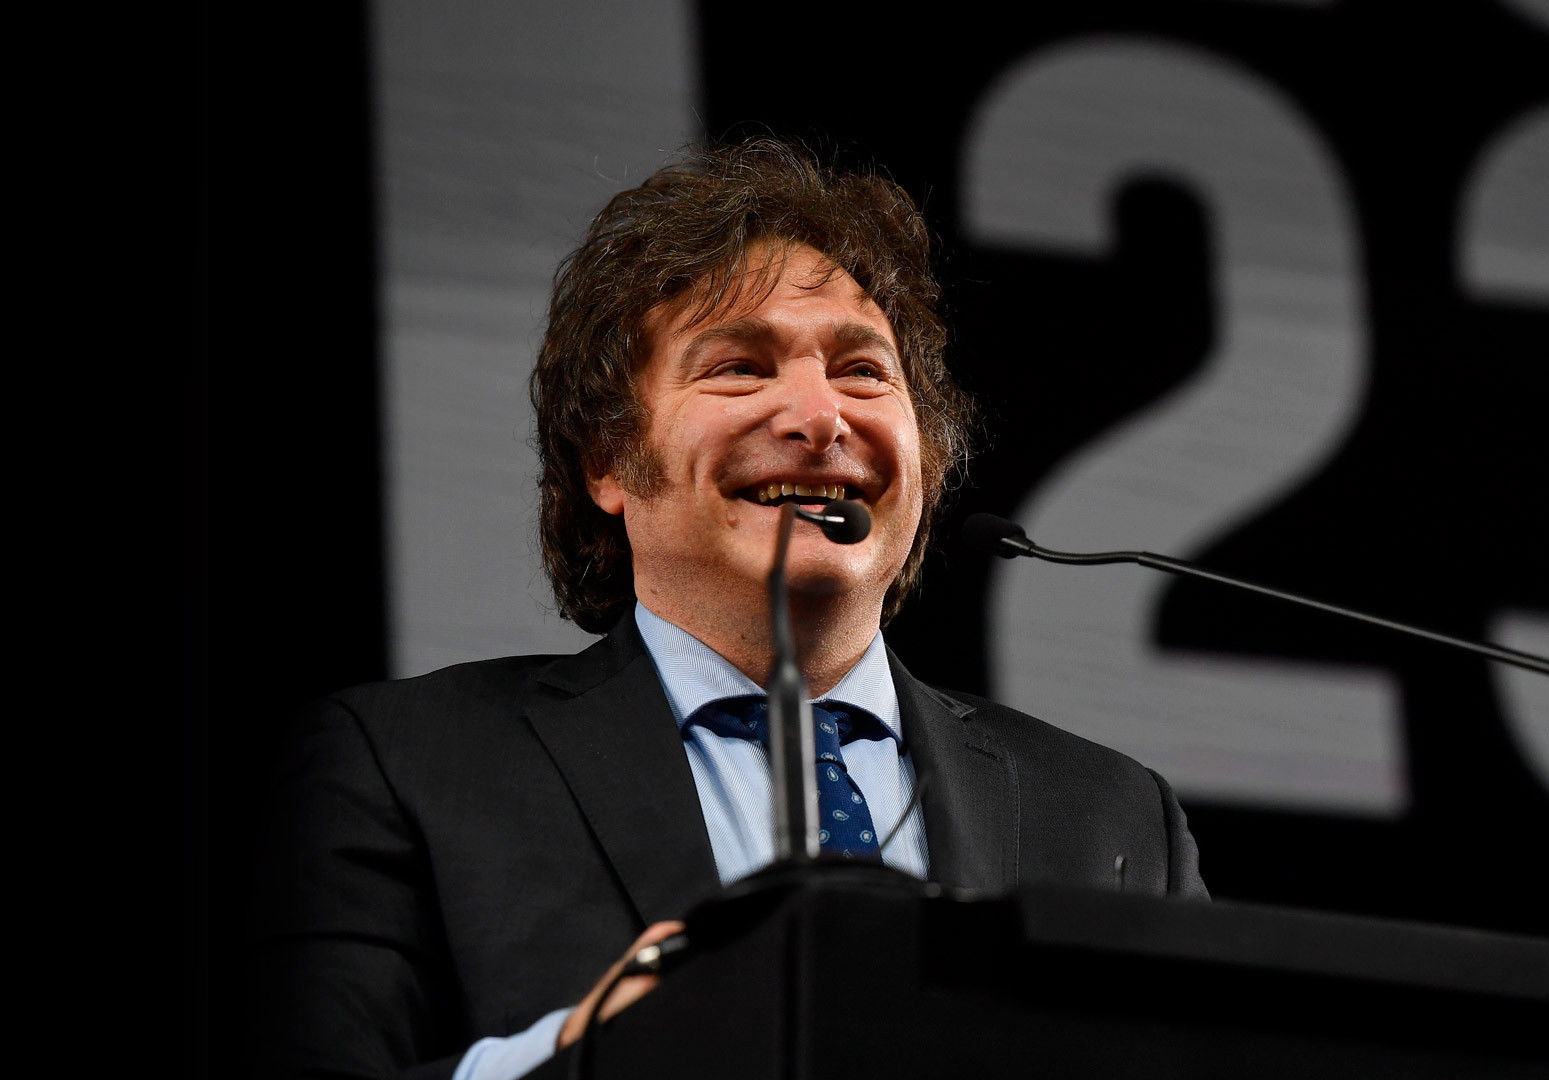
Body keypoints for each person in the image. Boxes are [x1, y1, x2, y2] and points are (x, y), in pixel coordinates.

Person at [249, 138, 1206, 1080]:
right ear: (608, 460)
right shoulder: (402, 765)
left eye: (863, 371)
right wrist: (586, 1052)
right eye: (741, 366)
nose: (821, 417)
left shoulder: (1114, 819)